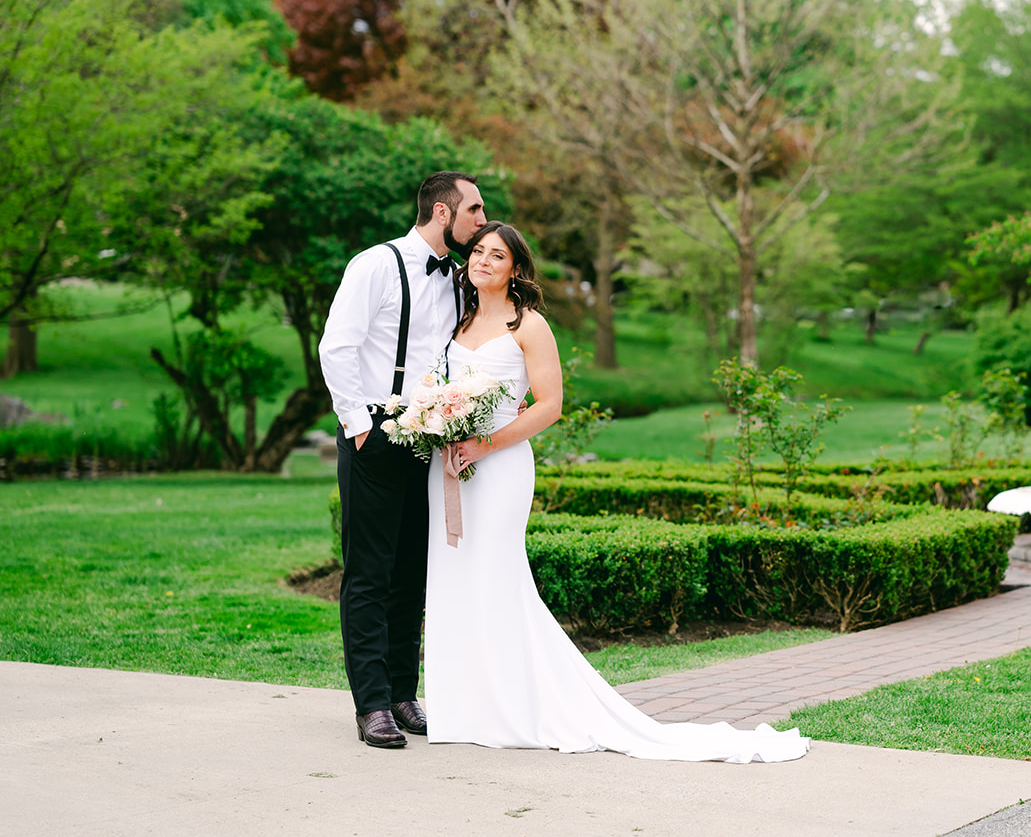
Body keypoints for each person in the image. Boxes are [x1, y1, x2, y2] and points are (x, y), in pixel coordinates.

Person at [423, 221, 808, 763]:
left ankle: (518, 706)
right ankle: (464, 708)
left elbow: (549, 406)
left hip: (500, 466)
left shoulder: (528, 325)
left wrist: (486, 443)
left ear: (515, 269)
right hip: (450, 467)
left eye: (497, 255)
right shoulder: (456, 319)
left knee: (496, 576)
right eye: (479, 251)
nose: (483, 260)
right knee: (453, 576)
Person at [319, 172, 488, 748]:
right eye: (475, 211)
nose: (482, 222)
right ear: (443, 213)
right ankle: (371, 706)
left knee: (413, 572)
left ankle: (400, 693)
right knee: (369, 573)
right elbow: (336, 346)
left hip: (431, 438)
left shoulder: (461, 280)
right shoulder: (374, 265)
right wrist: (359, 427)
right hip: (376, 432)